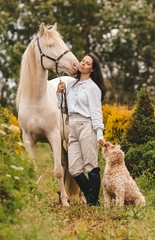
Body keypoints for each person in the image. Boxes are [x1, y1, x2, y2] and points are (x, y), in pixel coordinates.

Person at [56, 53, 107, 206]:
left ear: (92, 69)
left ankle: (92, 202)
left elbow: (96, 112)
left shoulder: (93, 88)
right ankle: (93, 199)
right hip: (72, 126)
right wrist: (59, 94)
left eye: (87, 63)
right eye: (83, 60)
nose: (83, 63)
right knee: (74, 168)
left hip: (87, 126)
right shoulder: (71, 85)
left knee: (91, 164)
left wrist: (99, 133)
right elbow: (64, 108)